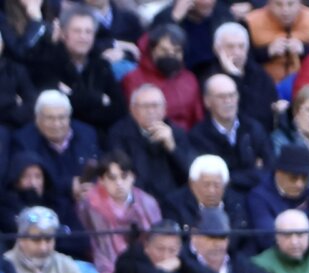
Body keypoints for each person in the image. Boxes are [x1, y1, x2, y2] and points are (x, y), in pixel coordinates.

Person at [27, 6, 126, 143]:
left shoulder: (101, 65)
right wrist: (99, 99)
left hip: (100, 137)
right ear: (63, 34)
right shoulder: (48, 62)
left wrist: (73, 95)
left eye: (88, 32)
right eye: (77, 31)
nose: (83, 37)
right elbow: (53, 106)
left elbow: (119, 109)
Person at [12, 91, 100, 223]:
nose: (56, 124)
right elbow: (27, 186)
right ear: (37, 118)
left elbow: (100, 167)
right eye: (50, 118)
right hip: (45, 211)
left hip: (87, 208)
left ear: (69, 117)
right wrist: (69, 186)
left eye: (61, 117)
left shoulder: (88, 134)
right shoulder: (23, 141)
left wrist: (90, 187)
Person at [76, 150, 163, 273]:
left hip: (145, 268)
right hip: (104, 270)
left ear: (133, 177)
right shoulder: (90, 205)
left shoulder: (148, 203)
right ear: (102, 181)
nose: (119, 183)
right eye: (112, 178)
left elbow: (158, 240)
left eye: (124, 176)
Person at [106, 84, 196, 204]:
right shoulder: (119, 133)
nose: (151, 111)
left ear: (164, 109)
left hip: (173, 201)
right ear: (133, 110)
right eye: (145, 106)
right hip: (137, 201)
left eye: (155, 106)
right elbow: (122, 171)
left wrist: (172, 147)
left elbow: (191, 173)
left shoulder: (176, 132)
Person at [188, 73, 274, 194]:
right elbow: (211, 179)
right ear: (207, 101)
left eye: (232, 95)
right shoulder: (198, 136)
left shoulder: (254, 128)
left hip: (258, 195)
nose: (228, 101)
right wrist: (253, 172)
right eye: (221, 97)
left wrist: (230, 177)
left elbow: (270, 169)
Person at [247, 143, 309, 252]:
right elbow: (267, 238)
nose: (300, 184)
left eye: (305, 178)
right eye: (293, 178)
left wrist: (287, 231)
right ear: (278, 173)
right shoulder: (259, 197)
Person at [122, 25, 204, 132]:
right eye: (164, 50)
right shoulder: (133, 78)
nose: (170, 55)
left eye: (176, 51)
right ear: (152, 50)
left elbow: (198, 119)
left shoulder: (189, 79)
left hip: (186, 138)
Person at [206, 21, 279, 135]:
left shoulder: (259, 74)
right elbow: (237, 114)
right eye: (230, 47)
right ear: (217, 49)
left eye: (241, 46)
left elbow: (266, 110)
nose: (237, 52)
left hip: (262, 136)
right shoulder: (210, 77)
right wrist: (234, 76)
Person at [161, 154, 251, 243]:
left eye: (216, 185)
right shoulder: (175, 205)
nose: (211, 191)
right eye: (206, 185)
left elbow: (245, 241)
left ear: (225, 185)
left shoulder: (237, 203)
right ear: (192, 184)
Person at [245, 0, 309, 85]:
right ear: (269, 3)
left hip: (306, 83)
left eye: (290, 4)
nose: (285, 10)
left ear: (300, 3)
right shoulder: (251, 22)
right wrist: (267, 51)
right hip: (265, 83)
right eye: (278, 4)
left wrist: (304, 49)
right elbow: (245, 58)